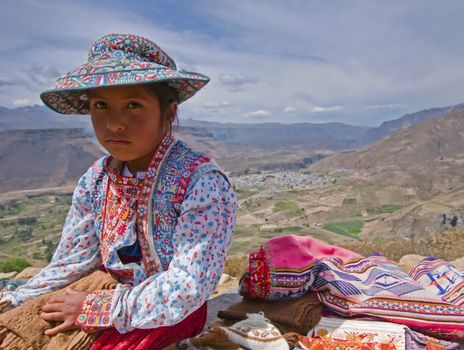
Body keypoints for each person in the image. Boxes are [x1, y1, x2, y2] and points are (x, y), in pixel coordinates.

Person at [0, 33, 237, 349]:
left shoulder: (201, 182)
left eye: (133, 105)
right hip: (105, 290)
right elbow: (72, 261)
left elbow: (189, 285)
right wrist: (17, 298)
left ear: (168, 113)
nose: (114, 124)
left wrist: (97, 308)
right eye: (101, 105)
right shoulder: (95, 179)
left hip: (168, 311)